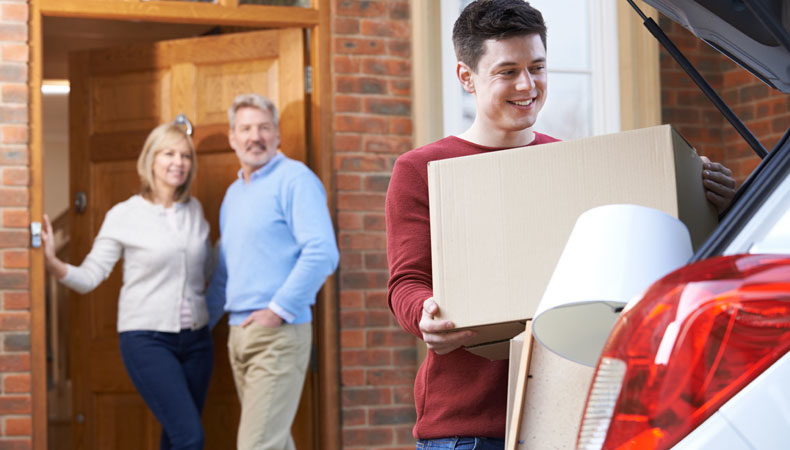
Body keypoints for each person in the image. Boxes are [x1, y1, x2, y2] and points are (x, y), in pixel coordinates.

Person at [385, 0, 737, 448]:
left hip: (565, 414)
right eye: (507, 71)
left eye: (537, 67)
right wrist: (426, 314)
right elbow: (407, 282)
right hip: (471, 427)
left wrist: (714, 203)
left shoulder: (571, 164)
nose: (527, 84)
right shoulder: (422, 168)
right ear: (466, 77)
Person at [41, 123, 214, 450]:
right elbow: (91, 275)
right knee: (190, 437)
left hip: (197, 341)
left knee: (176, 436)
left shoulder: (194, 211)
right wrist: (54, 263)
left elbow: (206, 268)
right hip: (147, 339)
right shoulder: (124, 214)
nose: (178, 162)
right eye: (169, 153)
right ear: (151, 160)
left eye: (185, 155)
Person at [206, 93, 339, 450]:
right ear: (232, 138)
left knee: (258, 445)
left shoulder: (295, 179)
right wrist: (200, 325)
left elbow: (322, 252)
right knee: (273, 443)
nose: (255, 136)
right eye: (246, 129)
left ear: (277, 134)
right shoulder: (234, 194)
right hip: (239, 334)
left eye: (264, 127)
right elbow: (225, 271)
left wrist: (277, 311)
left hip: (278, 334)